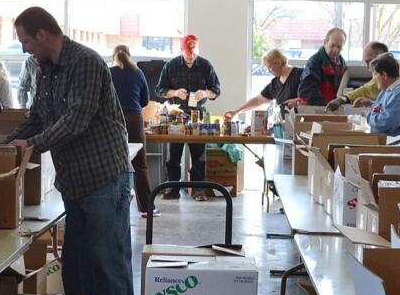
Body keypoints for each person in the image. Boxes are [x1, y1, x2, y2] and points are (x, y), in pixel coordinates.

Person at [4, 7, 133, 295]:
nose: (25, 49)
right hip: (74, 183)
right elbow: (37, 119)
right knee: (76, 264)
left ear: (43, 35)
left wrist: (32, 146)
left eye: (26, 41)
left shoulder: (86, 63)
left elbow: (76, 119)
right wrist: (1, 148)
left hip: (104, 179)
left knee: (108, 262)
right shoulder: (44, 70)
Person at [155, 34, 221, 200]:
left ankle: (198, 190)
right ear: (182, 50)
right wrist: (175, 92)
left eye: (193, 52)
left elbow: (216, 90)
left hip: (198, 115)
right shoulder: (171, 65)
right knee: (174, 156)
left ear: (197, 50)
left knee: (199, 156)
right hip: (176, 114)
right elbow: (159, 90)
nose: (191, 56)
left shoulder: (205, 65)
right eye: (188, 52)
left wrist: (205, 92)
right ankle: (173, 189)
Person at [109, 45, 154, 217]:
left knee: (112, 163)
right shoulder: (138, 73)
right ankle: (145, 209)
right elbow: (145, 100)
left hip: (114, 119)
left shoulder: (109, 72)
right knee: (140, 165)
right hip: (134, 119)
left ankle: (114, 205)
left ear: (114, 57)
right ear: (129, 56)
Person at [327, 41, 400, 116]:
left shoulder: (389, 71)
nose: (368, 68)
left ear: (380, 56)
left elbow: (368, 89)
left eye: (369, 62)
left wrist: (343, 99)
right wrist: (370, 104)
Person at [224, 48, 302, 123]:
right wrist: (236, 112)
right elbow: (258, 100)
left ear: (277, 62)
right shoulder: (275, 84)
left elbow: (312, 96)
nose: (269, 71)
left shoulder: (300, 75)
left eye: (270, 67)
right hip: (285, 128)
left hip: (302, 124)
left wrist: (298, 101)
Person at [364, 54, 400, 152]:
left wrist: (368, 115)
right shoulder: (390, 89)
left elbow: (386, 123)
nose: (374, 79)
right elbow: (382, 109)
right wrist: (369, 104)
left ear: (384, 75)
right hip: (397, 147)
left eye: (375, 74)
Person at [298, 28, 347, 106]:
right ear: (325, 42)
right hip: (320, 110)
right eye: (333, 45)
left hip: (336, 109)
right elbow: (307, 89)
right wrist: (325, 106)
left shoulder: (343, 65)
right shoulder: (314, 62)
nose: (335, 50)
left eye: (339, 47)